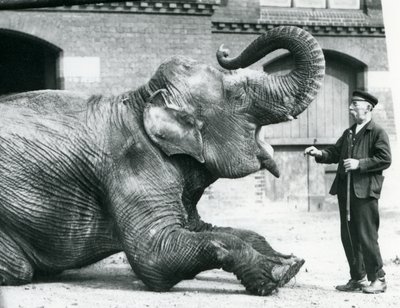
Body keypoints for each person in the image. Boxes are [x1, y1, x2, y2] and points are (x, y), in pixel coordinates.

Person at [304, 90, 391, 294]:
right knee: (348, 235)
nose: (350, 108)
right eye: (350, 104)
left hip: (365, 192)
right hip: (346, 192)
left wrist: (359, 163)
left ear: (368, 108)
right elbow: (335, 152)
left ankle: (378, 278)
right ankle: (358, 277)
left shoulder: (377, 132)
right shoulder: (349, 132)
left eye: (355, 104)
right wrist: (319, 153)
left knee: (366, 235)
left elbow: (385, 159)